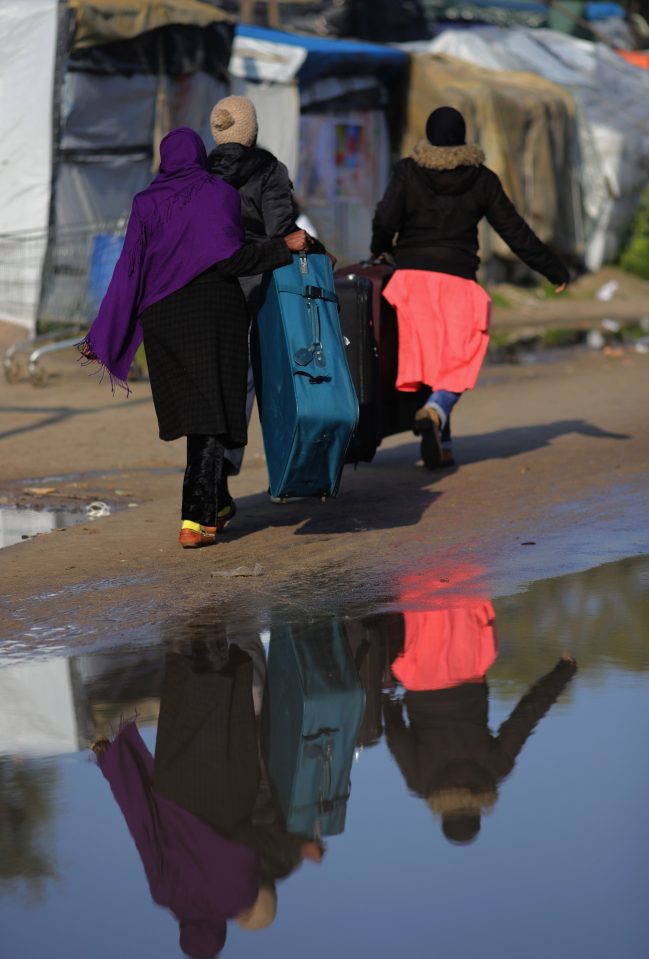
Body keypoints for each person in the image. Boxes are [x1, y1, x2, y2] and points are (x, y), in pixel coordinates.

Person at [78, 127, 309, 549]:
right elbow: (233, 258)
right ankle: (194, 519)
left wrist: (105, 331)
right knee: (210, 418)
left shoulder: (145, 201)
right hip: (212, 313)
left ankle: (216, 504)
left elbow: (129, 269)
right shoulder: (217, 193)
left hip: (163, 321)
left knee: (202, 418)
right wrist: (284, 248)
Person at [370, 105, 570, 469]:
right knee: (458, 360)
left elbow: (385, 218)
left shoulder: (407, 171)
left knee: (429, 359)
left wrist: (378, 249)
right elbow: (514, 231)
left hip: (411, 281)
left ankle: (441, 442)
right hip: (457, 282)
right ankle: (437, 410)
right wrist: (553, 269)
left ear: (429, 136)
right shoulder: (481, 179)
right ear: (462, 137)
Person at [206, 96, 327, 510]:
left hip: (211, 284)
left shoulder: (202, 172)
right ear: (252, 129)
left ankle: (216, 471)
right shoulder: (268, 169)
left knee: (224, 379)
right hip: (261, 282)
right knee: (268, 373)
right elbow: (280, 228)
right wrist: (313, 247)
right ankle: (294, 464)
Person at [382, 592, 577, 845]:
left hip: (468, 665)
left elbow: (526, 716)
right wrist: (389, 702)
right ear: (443, 817)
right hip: (422, 675)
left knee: (465, 592)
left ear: (477, 815)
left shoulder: (494, 770)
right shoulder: (422, 782)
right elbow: (397, 738)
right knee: (422, 599)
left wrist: (563, 673)